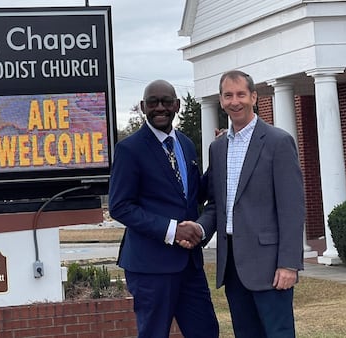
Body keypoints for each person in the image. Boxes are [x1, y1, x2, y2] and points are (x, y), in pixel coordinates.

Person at [185, 70, 305, 338]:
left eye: (241, 94)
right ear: (221, 100)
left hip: (270, 265)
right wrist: (199, 229)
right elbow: (217, 204)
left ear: (254, 97)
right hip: (233, 267)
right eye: (228, 95)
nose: (235, 101)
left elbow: (292, 208)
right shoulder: (218, 148)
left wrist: (289, 264)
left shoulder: (278, 142)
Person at [108, 79, 219, 338]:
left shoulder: (186, 143)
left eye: (166, 102)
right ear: (142, 106)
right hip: (150, 267)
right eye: (153, 102)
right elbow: (120, 206)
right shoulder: (129, 149)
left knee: (207, 331)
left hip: (189, 266)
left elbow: (192, 195)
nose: (160, 107)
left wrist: (219, 156)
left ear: (177, 105)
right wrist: (172, 230)